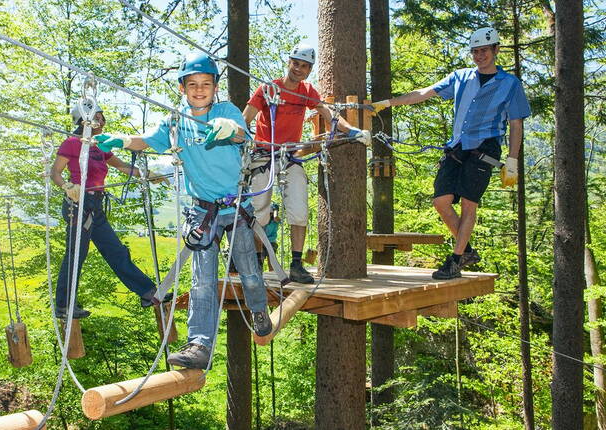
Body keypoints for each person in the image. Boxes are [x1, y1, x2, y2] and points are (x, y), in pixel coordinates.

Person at [93, 52, 272, 370]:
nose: (200, 90)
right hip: (202, 212)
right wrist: (121, 139)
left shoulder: (225, 110)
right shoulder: (176, 121)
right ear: (182, 88)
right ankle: (199, 345)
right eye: (193, 84)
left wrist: (228, 128)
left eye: (206, 84)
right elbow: (150, 141)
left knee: (248, 270)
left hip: (236, 208)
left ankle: (258, 310)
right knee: (202, 280)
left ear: (215, 86)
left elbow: (242, 132)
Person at [368, 27, 530, 279]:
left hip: (483, 149)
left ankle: (455, 260)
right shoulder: (461, 78)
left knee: (468, 205)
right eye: (475, 52)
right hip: (456, 147)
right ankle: (466, 250)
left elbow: (516, 123)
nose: (480, 56)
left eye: (484, 50)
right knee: (440, 201)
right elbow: (423, 93)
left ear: (496, 50)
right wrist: (387, 103)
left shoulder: (509, 84)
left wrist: (512, 160)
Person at [242, 44, 364, 284]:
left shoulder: (307, 91)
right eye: (296, 63)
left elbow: (329, 116)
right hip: (264, 156)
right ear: (289, 62)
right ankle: (256, 262)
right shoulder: (267, 89)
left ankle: (296, 265)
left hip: (289, 157)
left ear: (309, 70)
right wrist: (239, 138)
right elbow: (245, 118)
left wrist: (353, 132)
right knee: (260, 211)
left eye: (305, 66)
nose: (299, 69)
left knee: (299, 210)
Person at [50, 101, 170, 319]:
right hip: (78, 204)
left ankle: (146, 292)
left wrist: (148, 174)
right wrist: (67, 187)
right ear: (86, 120)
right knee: (76, 254)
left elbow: (123, 166)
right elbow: (55, 172)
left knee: (116, 250)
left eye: (102, 116)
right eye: (99, 116)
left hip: (95, 204)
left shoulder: (99, 146)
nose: (103, 120)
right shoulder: (71, 143)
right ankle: (64, 305)